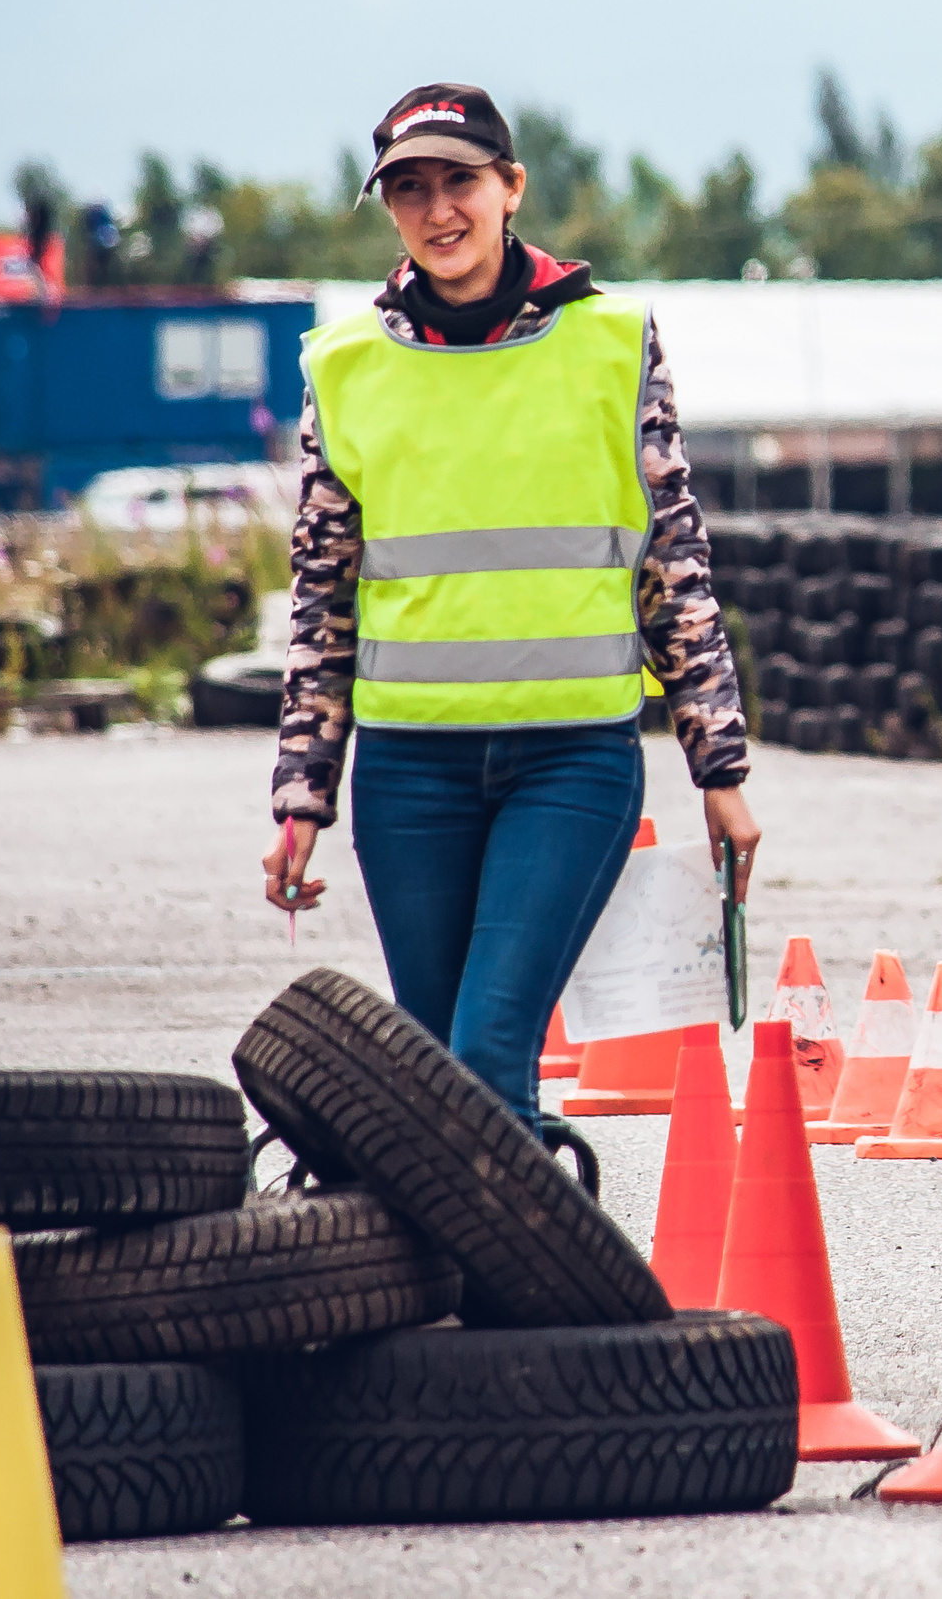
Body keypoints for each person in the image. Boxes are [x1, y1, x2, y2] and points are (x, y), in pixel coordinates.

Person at [260, 81, 759, 1135]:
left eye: (461, 183)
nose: (439, 212)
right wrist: (303, 793)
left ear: (511, 187)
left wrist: (719, 768)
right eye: (409, 190)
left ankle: (527, 1294)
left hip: (569, 761)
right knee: (427, 1075)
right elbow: (321, 599)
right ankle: (452, 1285)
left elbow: (673, 562)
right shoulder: (344, 368)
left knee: (489, 1058)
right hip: (410, 773)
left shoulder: (612, 343)